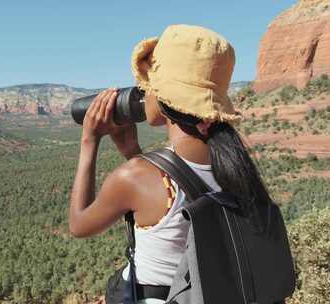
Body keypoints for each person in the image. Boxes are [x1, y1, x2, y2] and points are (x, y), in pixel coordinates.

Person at [69, 25, 273, 304]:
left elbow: (79, 225)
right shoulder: (236, 164)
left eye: (148, 86)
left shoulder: (135, 177)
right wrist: (133, 152)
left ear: (163, 97)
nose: (143, 93)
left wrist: (89, 141)